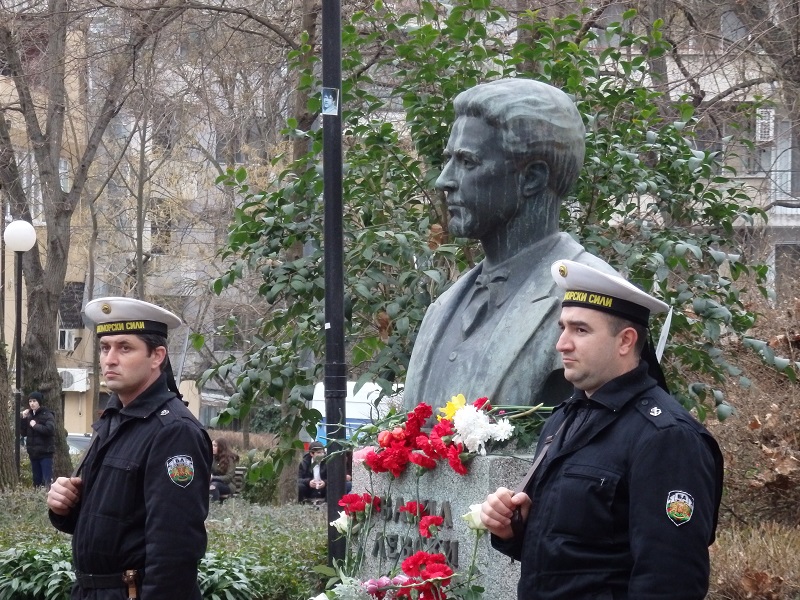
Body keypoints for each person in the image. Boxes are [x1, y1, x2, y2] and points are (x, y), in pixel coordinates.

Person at [480, 260, 725, 600]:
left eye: (580, 330)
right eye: (563, 328)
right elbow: (576, 557)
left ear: (625, 341)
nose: (561, 344)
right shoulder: (563, 419)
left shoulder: (666, 437)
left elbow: (671, 580)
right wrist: (512, 529)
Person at [403, 78, 615, 411]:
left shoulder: (594, 299)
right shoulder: (442, 308)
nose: (444, 180)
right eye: (449, 159)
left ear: (532, 178)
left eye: (467, 162)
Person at [47, 297, 212, 600]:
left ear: (157, 356)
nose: (109, 359)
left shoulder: (174, 431)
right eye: (104, 347)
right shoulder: (114, 419)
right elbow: (114, 524)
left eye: (124, 348)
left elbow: (175, 550)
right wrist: (64, 507)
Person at [21, 391, 56, 487]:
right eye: (30, 401)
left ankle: (47, 495)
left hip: (45, 453)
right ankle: (37, 496)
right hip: (33, 453)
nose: (32, 403)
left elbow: (50, 430)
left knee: (47, 480)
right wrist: (23, 418)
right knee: (36, 481)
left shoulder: (47, 414)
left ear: (39, 402)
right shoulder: (29, 415)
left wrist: (35, 426)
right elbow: (23, 433)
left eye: (34, 401)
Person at [209, 437, 239, 503]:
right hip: (213, 482)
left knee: (213, 486)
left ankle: (215, 506)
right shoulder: (212, 458)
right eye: (212, 445)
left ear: (221, 447)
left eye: (215, 446)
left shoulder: (230, 459)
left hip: (228, 484)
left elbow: (228, 478)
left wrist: (213, 478)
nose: (212, 447)